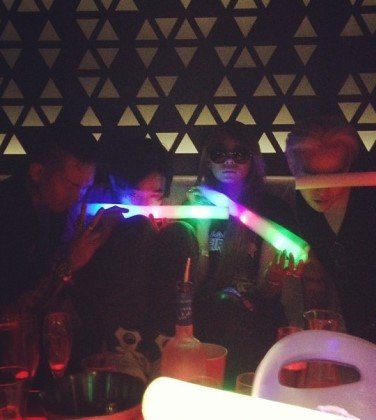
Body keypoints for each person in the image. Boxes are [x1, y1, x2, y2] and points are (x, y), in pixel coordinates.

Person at [67, 133, 198, 383]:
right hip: (104, 309)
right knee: (138, 226)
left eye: (156, 194)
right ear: (116, 184)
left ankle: (164, 345)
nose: (147, 204)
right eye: (137, 196)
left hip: (155, 320)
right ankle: (122, 347)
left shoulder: (165, 215)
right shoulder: (90, 206)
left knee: (181, 232)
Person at [186, 120, 305, 387]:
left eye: (239, 153)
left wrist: (275, 277)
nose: (229, 161)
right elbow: (194, 282)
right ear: (207, 161)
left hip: (257, 316)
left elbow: (268, 292)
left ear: (253, 159)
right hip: (206, 312)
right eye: (219, 153)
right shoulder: (194, 206)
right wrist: (202, 226)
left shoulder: (272, 210)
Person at [285, 116, 376, 349]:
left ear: (348, 166)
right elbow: (315, 277)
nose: (323, 189)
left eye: (335, 176)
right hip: (356, 328)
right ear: (291, 166)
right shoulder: (298, 205)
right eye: (312, 176)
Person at [0, 123, 114, 314]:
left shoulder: (54, 210)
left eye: (85, 188)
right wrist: (70, 262)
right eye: (71, 186)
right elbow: (19, 304)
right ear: (37, 172)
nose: (77, 197)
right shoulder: (8, 212)